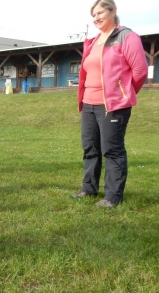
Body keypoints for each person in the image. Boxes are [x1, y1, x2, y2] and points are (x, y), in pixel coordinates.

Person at [71, 0, 148, 208]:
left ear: (113, 11)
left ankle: (113, 196)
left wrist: (124, 93)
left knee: (112, 150)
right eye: (93, 15)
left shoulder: (126, 36)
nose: (96, 18)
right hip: (89, 103)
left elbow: (140, 71)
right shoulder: (93, 41)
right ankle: (88, 189)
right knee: (90, 148)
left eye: (99, 12)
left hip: (113, 105)